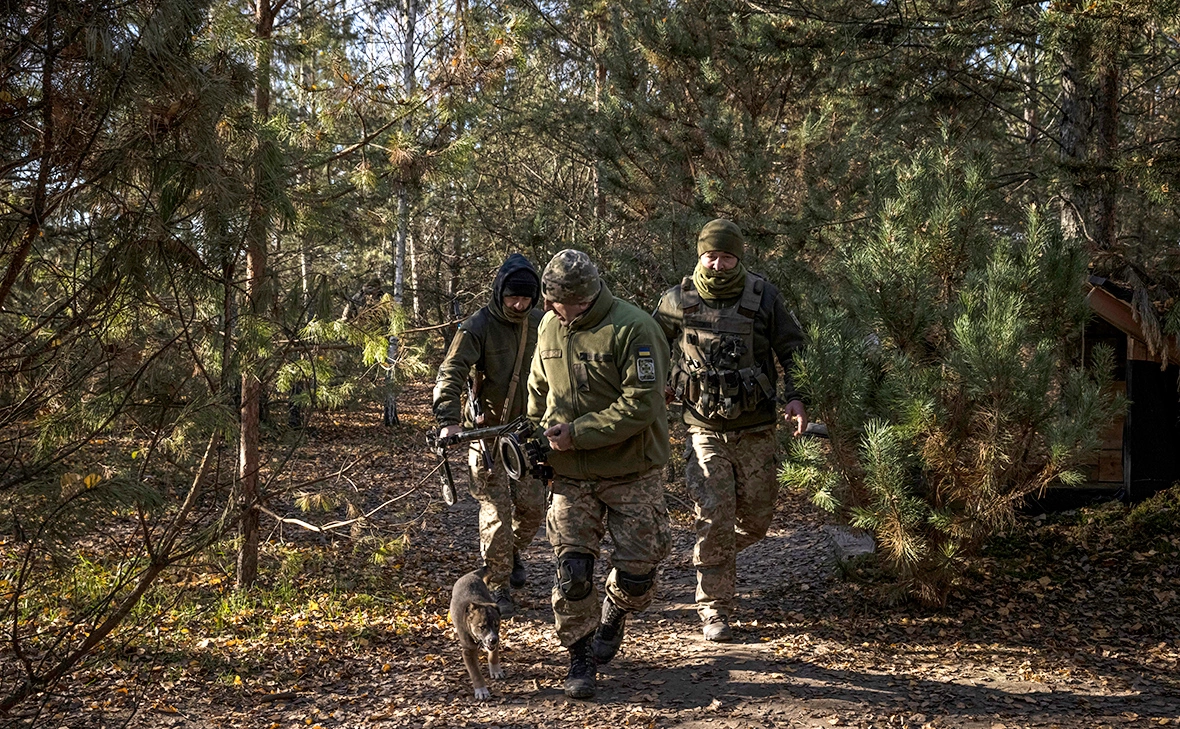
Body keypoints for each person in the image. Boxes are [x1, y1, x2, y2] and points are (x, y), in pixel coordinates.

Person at [653, 218, 808, 642]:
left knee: (757, 521)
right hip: (702, 427)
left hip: (755, 427)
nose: (718, 264)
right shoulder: (677, 300)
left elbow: (793, 348)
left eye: (726, 256)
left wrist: (798, 397)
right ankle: (714, 609)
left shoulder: (764, 297)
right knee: (714, 516)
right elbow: (646, 345)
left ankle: (712, 553)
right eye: (711, 255)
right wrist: (656, 386)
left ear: (738, 257)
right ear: (699, 256)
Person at [527, 249, 672, 699]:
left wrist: (578, 432)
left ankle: (615, 612)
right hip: (570, 474)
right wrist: (533, 436)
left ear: (586, 297)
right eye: (549, 301)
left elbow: (642, 404)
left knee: (638, 573)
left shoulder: (634, 329)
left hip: (632, 471)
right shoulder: (549, 326)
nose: (553, 310)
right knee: (573, 571)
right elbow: (538, 389)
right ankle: (580, 656)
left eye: (561, 302)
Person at [433, 253, 546, 618]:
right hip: (487, 436)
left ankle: (510, 554)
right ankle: (498, 586)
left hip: (527, 433)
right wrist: (449, 420)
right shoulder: (477, 326)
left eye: (526, 298)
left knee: (531, 510)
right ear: (499, 293)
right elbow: (450, 372)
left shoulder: (542, 323)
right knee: (496, 512)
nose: (519, 304)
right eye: (513, 297)